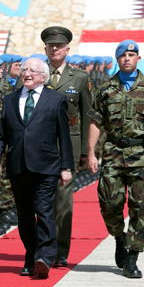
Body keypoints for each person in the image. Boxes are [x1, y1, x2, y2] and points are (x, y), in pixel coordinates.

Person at [86, 39, 144, 279]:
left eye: (132, 55)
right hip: (113, 155)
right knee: (109, 204)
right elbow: (95, 122)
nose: (127, 59)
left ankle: (132, 258)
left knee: (140, 207)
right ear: (117, 59)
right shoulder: (106, 89)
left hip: (142, 157)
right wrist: (92, 153)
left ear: (138, 59)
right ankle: (119, 236)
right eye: (123, 55)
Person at [0, 57, 74, 279]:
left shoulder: (56, 100)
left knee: (44, 211)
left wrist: (66, 166)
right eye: (25, 69)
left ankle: (44, 257)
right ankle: (31, 255)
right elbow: (1, 134)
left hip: (46, 166)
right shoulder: (10, 99)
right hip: (18, 166)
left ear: (43, 77)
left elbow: (63, 137)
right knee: (25, 215)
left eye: (33, 71)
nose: (27, 73)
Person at [41, 26, 92, 268]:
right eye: (51, 45)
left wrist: (84, 152)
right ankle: (43, 249)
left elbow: (86, 116)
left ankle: (60, 251)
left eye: (59, 46)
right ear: (45, 49)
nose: (55, 49)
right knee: (41, 202)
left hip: (67, 149)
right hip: (40, 148)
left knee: (63, 202)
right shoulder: (37, 74)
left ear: (67, 49)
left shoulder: (79, 78)